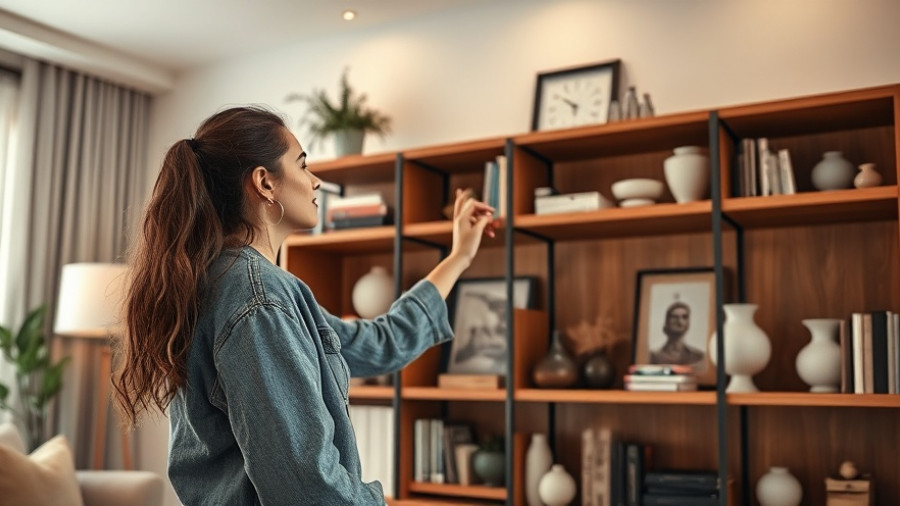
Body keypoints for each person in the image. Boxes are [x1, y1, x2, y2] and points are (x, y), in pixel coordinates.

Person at [112, 106, 495, 505]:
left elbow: (379, 343)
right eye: (302, 165)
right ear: (264, 183)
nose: (316, 181)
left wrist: (459, 257)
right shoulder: (259, 299)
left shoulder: (236, 285)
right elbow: (305, 487)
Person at [649, 300, 705, 366]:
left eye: (684, 317)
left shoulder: (697, 357)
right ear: (667, 322)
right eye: (674, 317)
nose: (680, 321)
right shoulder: (654, 357)